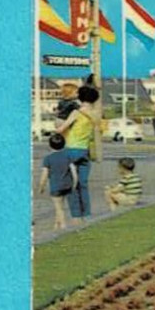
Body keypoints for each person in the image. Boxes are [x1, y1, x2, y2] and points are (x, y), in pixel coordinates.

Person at [55, 84, 100, 219]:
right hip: (84, 151)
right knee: (83, 184)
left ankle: (76, 213)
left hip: (71, 149)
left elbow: (61, 129)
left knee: (72, 184)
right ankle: (87, 213)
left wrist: (56, 129)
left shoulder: (76, 113)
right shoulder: (95, 115)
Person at [37, 132, 76, 231]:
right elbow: (74, 171)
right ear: (64, 144)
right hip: (67, 185)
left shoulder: (48, 159)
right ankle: (56, 226)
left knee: (59, 208)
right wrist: (74, 184)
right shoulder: (68, 156)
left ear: (50, 145)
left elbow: (44, 175)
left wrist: (41, 187)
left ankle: (63, 227)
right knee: (60, 206)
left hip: (56, 187)